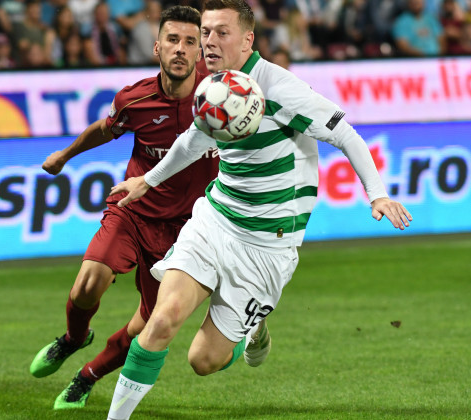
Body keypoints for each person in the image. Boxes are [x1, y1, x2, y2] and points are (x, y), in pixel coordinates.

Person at [104, 1, 413, 418]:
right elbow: (193, 141)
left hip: (268, 246)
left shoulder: (280, 88)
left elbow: (346, 135)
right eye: (206, 32)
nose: (209, 42)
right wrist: (147, 181)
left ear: (248, 39)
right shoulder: (210, 84)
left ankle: (252, 326)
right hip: (216, 221)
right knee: (162, 321)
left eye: (221, 33)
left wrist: (376, 194)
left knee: (202, 361)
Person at [29, 5, 218, 410]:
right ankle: (74, 338)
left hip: (185, 232)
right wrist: (64, 155)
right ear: (157, 48)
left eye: (190, 42)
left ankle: (87, 376)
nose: (181, 50)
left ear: (201, 52)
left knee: (147, 325)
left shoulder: (221, 100)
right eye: (173, 40)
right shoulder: (136, 99)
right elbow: (104, 129)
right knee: (87, 284)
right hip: (134, 208)